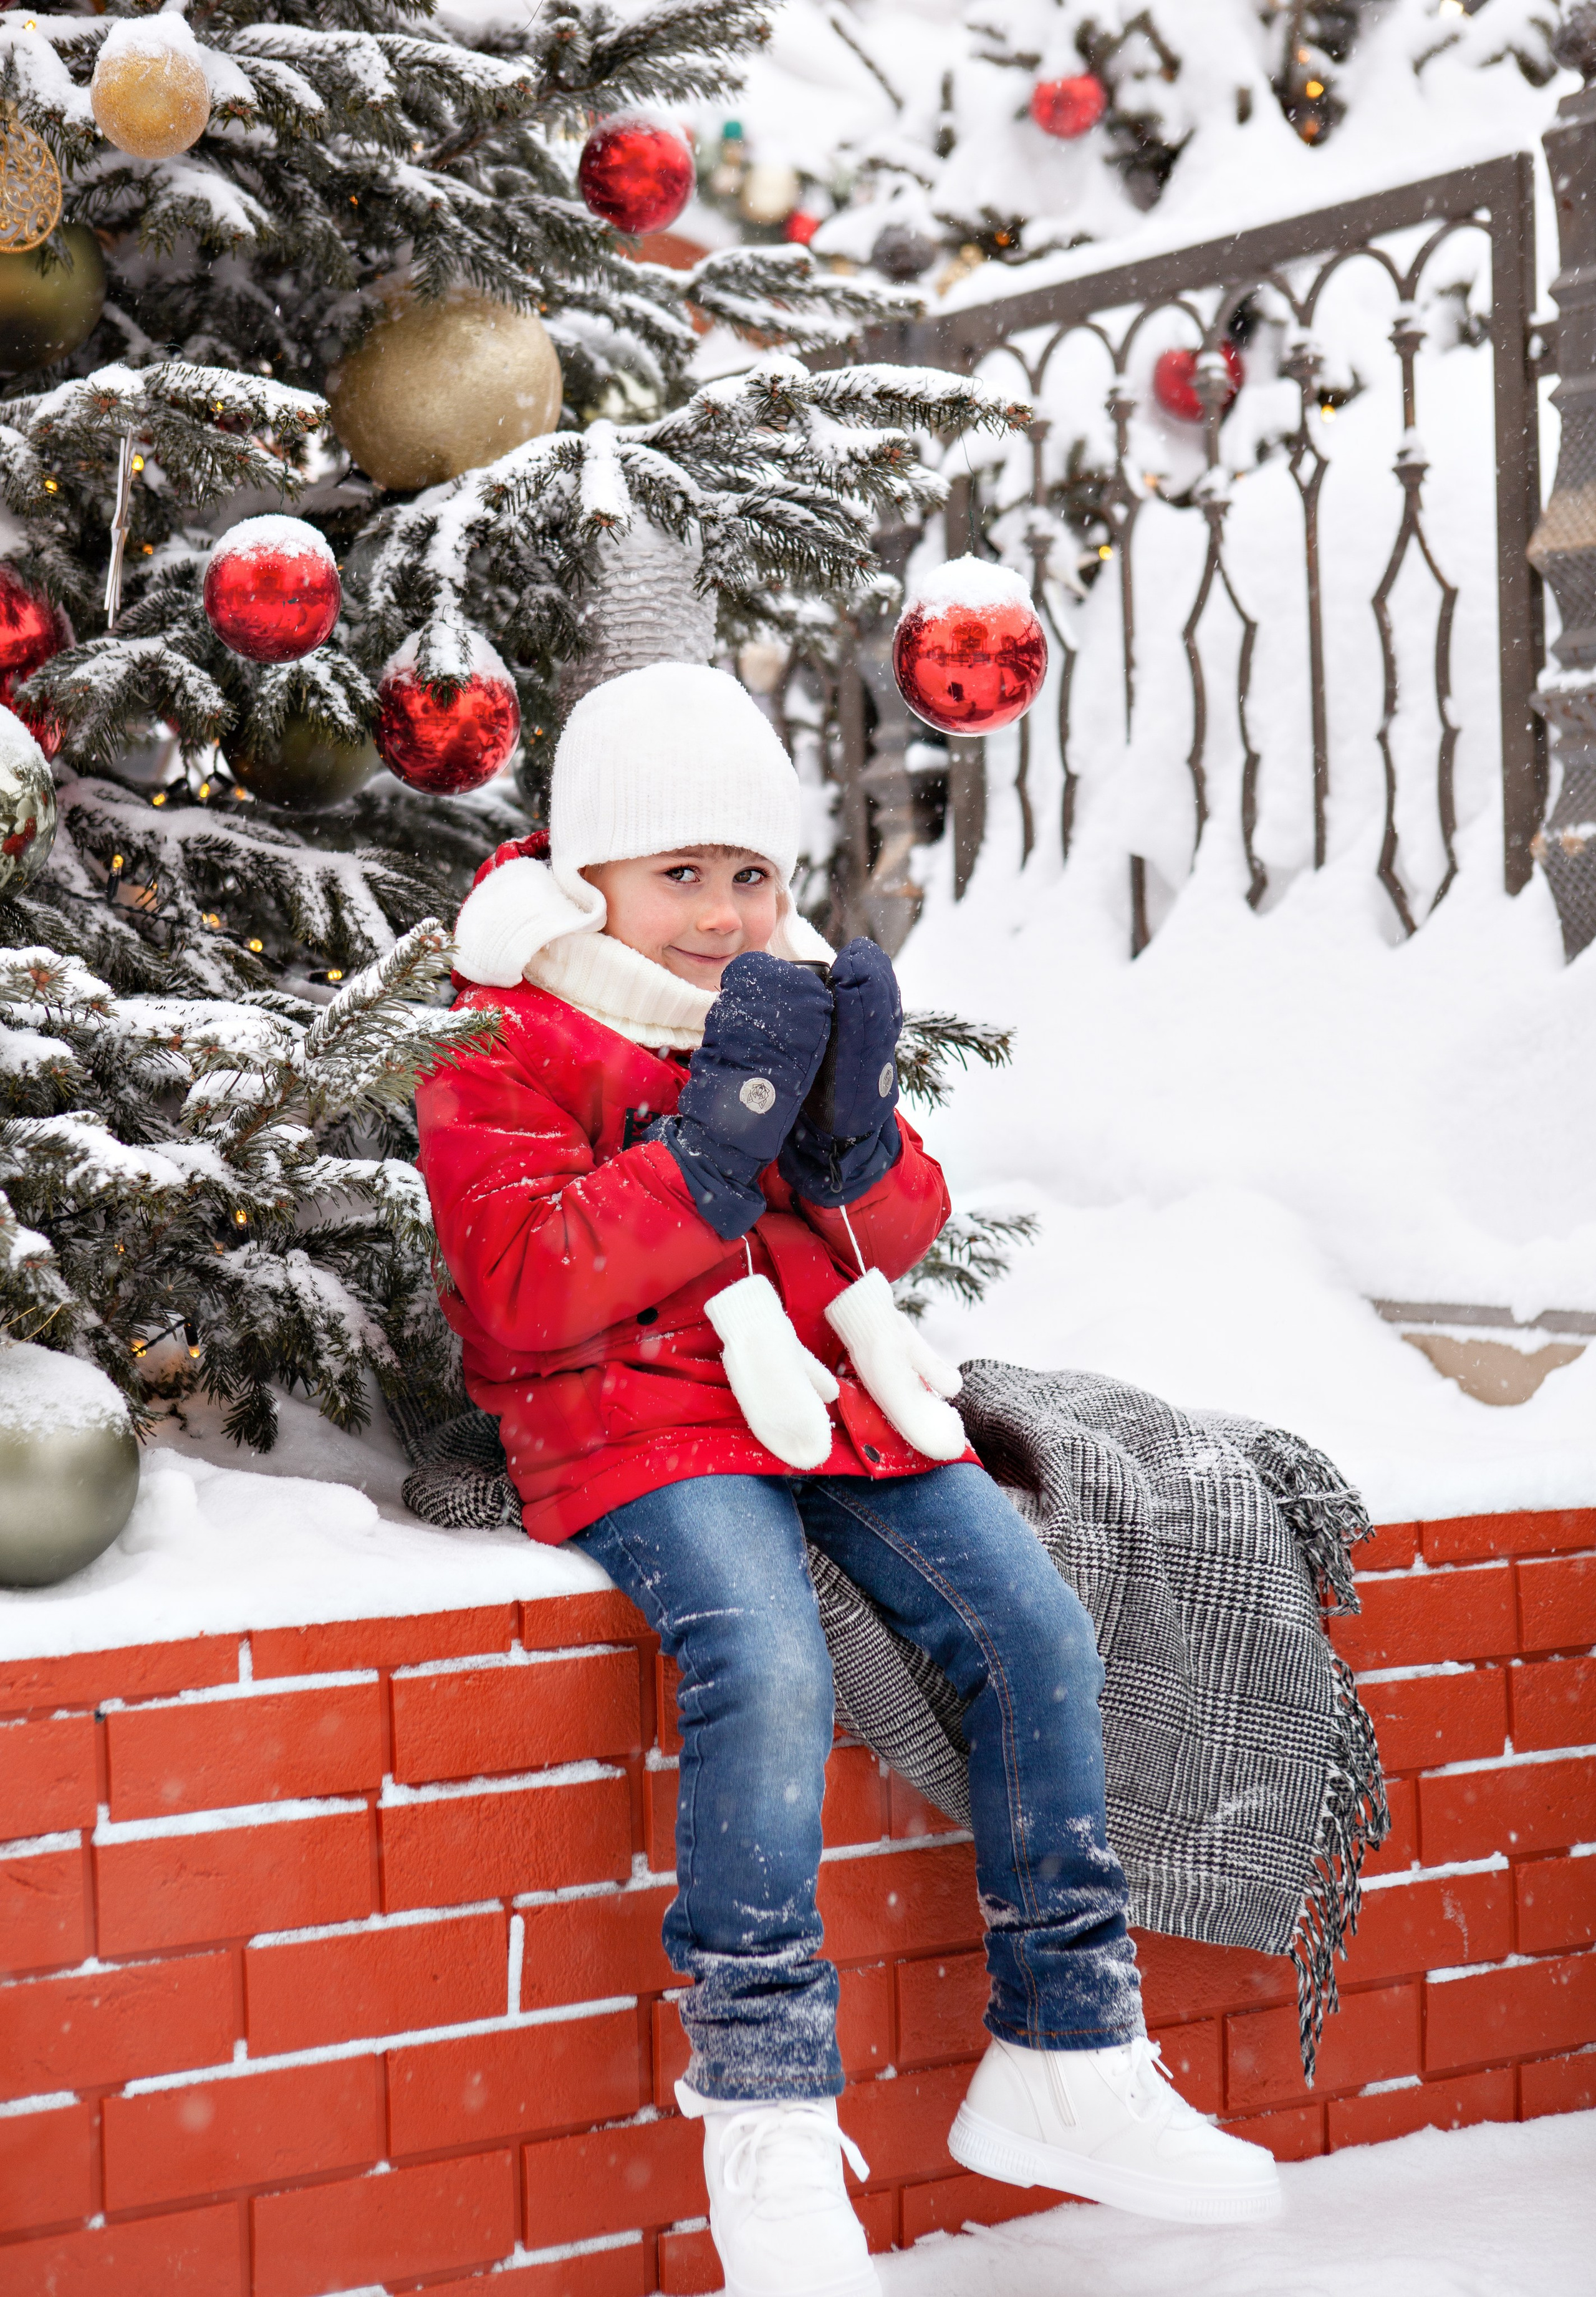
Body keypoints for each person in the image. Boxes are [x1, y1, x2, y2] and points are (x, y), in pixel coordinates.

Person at [415, 663, 1281, 2297]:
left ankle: (1069, 2050)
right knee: (767, 1655)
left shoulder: (790, 999)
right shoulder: (508, 1040)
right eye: (681, 872)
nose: (725, 909)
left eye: (752, 872)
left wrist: (852, 1139)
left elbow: (895, 1234)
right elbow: (524, 1280)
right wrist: (706, 1153)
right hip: (633, 1418)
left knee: (1029, 1618)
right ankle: (766, 2107)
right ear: (586, 870)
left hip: (829, 1402)